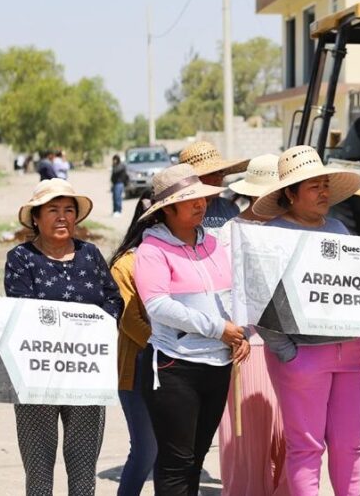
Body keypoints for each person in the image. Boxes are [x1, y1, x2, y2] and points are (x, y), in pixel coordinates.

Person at [251, 145, 360, 496]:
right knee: (306, 448)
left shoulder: (337, 228)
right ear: (290, 193)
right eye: (313, 186)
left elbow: (352, 285)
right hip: (302, 356)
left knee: (351, 445)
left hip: (350, 354)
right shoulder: (271, 236)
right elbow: (257, 302)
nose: (323, 192)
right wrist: (286, 351)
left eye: (324, 185)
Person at [134, 163, 250, 496]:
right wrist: (219, 329)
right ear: (168, 209)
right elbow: (158, 306)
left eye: (202, 198)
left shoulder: (215, 243)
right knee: (175, 462)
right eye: (190, 200)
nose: (201, 204)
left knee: (196, 459)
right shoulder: (151, 250)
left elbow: (233, 295)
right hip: (174, 368)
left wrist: (240, 333)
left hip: (218, 366)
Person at [4, 178, 123, 496]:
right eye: (53, 210)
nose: (62, 217)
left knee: (84, 478)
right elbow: (22, 309)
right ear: (36, 218)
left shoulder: (91, 255)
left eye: (69, 210)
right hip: (37, 379)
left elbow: (113, 300)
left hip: (86, 377)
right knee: (39, 477)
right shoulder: (21, 259)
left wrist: (99, 328)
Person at [217, 153, 290, 496]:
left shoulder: (294, 230)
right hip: (247, 348)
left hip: (294, 350)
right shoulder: (226, 235)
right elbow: (218, 295)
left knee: (293, 443)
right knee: (249, 449)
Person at [109, 190, 157, 496]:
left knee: (173, 453)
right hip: (139, 368)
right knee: (145, 451)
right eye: (150, 216)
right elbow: (129, 320)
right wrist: (169, 343)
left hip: (179, 368)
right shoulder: (124, 265)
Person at [178, 140, 248, 230]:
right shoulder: (180, 212)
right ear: (194, 178)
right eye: (212, 173)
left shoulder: (230, 208)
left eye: (221, 172)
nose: (219, 178)